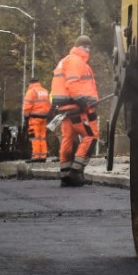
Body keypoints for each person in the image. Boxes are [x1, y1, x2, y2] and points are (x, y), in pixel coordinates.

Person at [49, 35, 99, 187]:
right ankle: (76, 172)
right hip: (79, 108)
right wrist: (82, 101)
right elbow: (72, 83)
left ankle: (65, 174)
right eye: (87, 46)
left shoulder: (64, 61)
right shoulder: (76, 61)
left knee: (68, 139)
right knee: (91, 136)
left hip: (65, 110)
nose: (88, 49)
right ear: (81, 47)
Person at [21, 77, 52, 163]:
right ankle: (43, 155)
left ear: (30, 83)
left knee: (35, 137)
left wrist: (26, 116)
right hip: (44, 117)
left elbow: (27, 106)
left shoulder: (31, 91)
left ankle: (36, 156)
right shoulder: (45, 91)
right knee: (42, 137)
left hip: (34, 118)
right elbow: (48, 105)